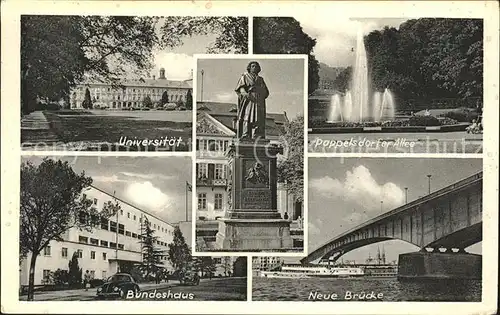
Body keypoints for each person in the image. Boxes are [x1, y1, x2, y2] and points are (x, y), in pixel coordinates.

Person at [235, 61, 270, 139]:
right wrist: (245, 93)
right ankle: (246, 134)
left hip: (259, 100)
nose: (254, 68)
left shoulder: (260, 79)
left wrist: (261, 94)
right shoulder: (245, 76)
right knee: (247, 116)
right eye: (253, 66)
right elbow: (241, 88)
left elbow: (266, 91)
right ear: (249, 68)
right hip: (249, 99)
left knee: (258, 118)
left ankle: (257, 135)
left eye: (256, 66)